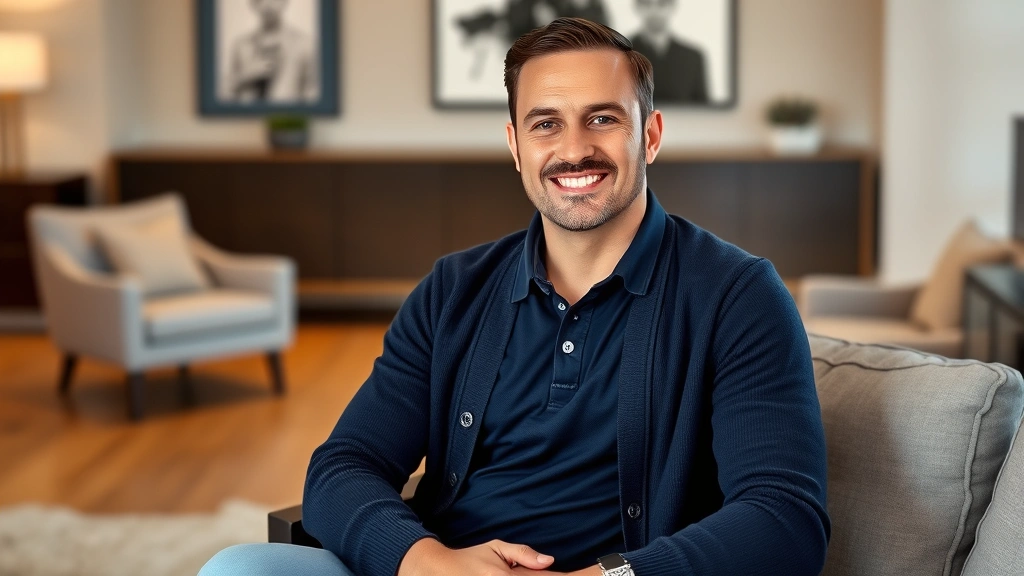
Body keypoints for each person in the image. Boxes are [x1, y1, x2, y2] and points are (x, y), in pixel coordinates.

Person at [200, 17, 829, 576]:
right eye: (545, 124)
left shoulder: (739, 296)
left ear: (651, 135)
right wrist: (427, 563)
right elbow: (345, 464)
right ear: (515, 147)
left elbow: (783, 519)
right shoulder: (454, 289)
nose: (574, 148)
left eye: (603, 118)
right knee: (238, 568)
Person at [225, 0, 318, 103]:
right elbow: (224, 95)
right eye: (260, 0)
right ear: (252, 4)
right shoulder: (241, 45)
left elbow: (312, 93)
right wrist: (245, 75)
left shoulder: (304, 44)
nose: (267, 5)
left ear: (285, 2)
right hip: (246, 117)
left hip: (288, 117)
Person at [630, 0, 709, 104]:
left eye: (662, 4)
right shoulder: (620, 53)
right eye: (646, 4)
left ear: (672, 7)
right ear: (637, 8)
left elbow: (703, 109)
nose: (654, 11)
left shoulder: (693, 58)